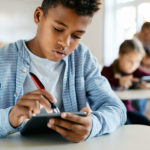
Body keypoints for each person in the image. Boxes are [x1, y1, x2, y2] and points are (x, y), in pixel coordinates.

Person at [0, 0, 126, 142]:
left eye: (76, 36)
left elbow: (117, 109)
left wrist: (93, 125)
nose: (65, 43)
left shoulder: (82, 58)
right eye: (58, 29)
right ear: (38, 16)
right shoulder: (3, 59)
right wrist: (10, 117)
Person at [102, 39, 150, 125]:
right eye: (130, 61)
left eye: (137, 62)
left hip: (128, 110)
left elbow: (148, 77)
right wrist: (118, 81)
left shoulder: (135, 71)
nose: (133, 65)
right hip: (111, 112)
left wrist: (145, 84)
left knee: (146, 124)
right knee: (128, 125)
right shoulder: (107, 71)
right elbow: (101, 83)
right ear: (120, 55)